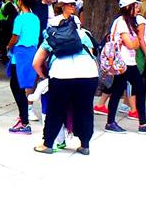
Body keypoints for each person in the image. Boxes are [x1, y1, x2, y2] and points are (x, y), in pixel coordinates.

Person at [32, 9, 99, 155]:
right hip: (88, 74)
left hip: (61, 75)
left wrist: (45, 76)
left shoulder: (51, 36)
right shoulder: (85, 35)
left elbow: (36, 63)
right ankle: (85, 145)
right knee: (85, 110)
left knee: (55, 110)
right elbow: (93, 56)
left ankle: (47, 144)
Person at [104, 0, 146, 135]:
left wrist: (134, 40)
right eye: (135, 6)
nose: (138, 9)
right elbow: (131, 44)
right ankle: (110, 123)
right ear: (127, 7)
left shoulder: (129, 22)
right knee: (117, 92)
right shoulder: (121, 22)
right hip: (122, 63)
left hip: (130, 62)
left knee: (139, 89)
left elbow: (133, 42)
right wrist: (135, 40)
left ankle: (143, 123)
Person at [5, 0, 41, 134]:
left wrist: (8, 46)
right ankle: (23, 118)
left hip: (19, 54)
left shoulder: (20, 19)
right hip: (31, 53)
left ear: (20, 1)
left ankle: (24, 121)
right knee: (21, 86)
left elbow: (15, 37)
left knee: (16, 87)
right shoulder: (35, 18)